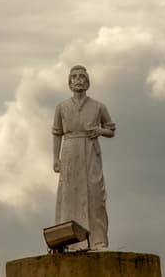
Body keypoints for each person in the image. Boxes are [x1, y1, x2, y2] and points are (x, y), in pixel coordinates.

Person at [52, 65, 116, 251]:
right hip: (70, 152)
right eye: (74, 77)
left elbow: (111, 130)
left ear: (87, 81)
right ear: (69, 82)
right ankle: (70, 242)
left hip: (90, 152)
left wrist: (99, 131)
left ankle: (98, 240)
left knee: (95, 195)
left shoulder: (98, 106)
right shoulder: (61, 107)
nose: (78, 80)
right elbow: (57, 133)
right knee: (69, 196)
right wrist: (56, 158)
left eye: (82, 76)